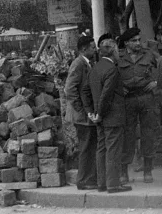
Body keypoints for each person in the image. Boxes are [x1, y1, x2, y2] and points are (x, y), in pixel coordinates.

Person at [82, 38, 131, 193]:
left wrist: (91, 112)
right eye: (117, 50)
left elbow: (85, 91)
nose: (119, 54)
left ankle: (102, 183)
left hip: (98, 116)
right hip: (112, 116)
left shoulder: (94, 68)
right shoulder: (112, 69)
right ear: (112, 51)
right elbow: (107, 95)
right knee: (113, 150)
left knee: (101, 149)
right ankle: (113, 184)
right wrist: (101, 114)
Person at [117, 27, 159, 184]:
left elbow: (160, 67)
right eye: (134, 41)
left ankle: (147, 170)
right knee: (127, 134)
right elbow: (112, 76)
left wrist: (156, 83)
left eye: (138, 40)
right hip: (128, 100)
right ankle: (123, 172)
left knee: (148, 133)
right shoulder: (119, 56)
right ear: (127, 43)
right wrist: (118, 88)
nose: (138, 43)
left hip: (146, 97)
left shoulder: (149, 54)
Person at [64, 36, 98, 190]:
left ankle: (88, 179)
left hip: (84, 115)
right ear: (84, 49)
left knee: (89, 146)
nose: (95, 49)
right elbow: (69, 89)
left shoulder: (86, 63)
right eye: (92, 47)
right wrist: (81, 109)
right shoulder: (78, 64)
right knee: (86, 147)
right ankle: (83, 181)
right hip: (81, 116)